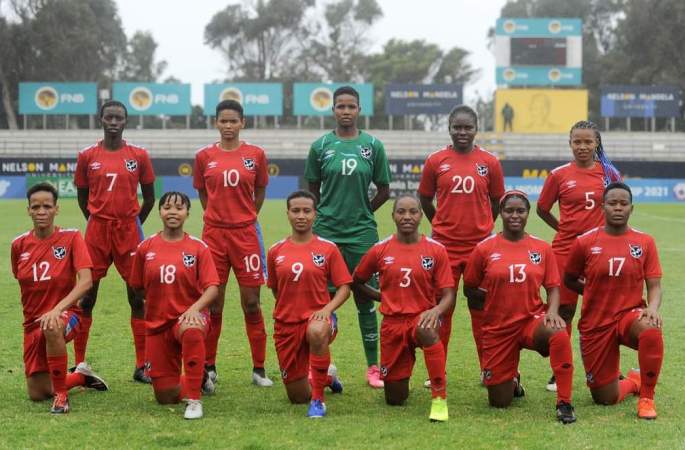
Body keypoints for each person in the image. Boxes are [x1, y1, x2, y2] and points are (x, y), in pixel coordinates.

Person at [463, 190, 576, 424]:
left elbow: (554, 287)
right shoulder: (484, 248)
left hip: (531, 320)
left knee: (559, 330)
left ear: (527, 214)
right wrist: (494, 306)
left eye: (520, 210)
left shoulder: (541, 248)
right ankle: (511, 379)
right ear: (500, 213)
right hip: (498, 328)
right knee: (499, 402)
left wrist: (553, 313)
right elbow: (470, 288)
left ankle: (564, 402)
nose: (515, 215)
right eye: (509, 210)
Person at [304, 85, 391, 388]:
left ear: (358, 109)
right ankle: (324, 366)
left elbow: (384, 189)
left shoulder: (373, 146)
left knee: (365, 298)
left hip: (362, 233)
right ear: (333, 110)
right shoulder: (320, 146)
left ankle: (373, 368)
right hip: (326, 232)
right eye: (340, 106)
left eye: (350, 106)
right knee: (324, 300)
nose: (345, 111)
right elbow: (312, 192)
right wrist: (323, 217)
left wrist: (364, 210)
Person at [418, 104, 505, 377]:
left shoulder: (490, 162)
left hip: (480, 248)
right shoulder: (436, 160)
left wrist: (484, 226)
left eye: (468, 127)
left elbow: (496, 201)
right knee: (442, 309)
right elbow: (424, 199)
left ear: (476, 129)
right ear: (449, 128)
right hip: (444, 247)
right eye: (458, 127)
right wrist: (441, 224)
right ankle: (437, 371)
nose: (462, 132)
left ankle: (487, 367)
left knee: (482, 307)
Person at [564, 182, 663, 420]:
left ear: (631, 208)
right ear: (603, 207)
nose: (618, 208)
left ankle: (647, 399)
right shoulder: (585, 242)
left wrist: (651, 308)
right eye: (612, 203)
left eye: (623, 203)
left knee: (650, 329)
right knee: (605, 398)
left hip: (629, 316)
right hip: (596, 323)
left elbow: (655, 285)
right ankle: (634, 381)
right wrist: (591, 291)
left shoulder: (644, 242)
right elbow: (569, 279)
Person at [73, 100, 155, 383]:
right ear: (101, 119)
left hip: (128, 231)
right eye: (109, 117)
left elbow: (150, 197)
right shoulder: (87, 156)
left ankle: (141, 365)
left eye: (118, 117)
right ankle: (79, 363)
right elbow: (83, 198)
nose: (113, 121)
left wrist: (133, 223)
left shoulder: (139, 155)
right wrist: (97, 220)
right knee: (87, 297)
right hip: (97, 230)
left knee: (137, 296)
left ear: (125, 121)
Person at [353, 195, 455, 422]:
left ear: (421, 215)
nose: (407, 216)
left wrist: (436, 311)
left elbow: (449, 294)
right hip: (392, 324)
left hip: (423, 318)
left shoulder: (436, 249)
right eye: (401, 212)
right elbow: (357, 281)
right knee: (395, 398)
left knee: (427, 329)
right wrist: (384, 297)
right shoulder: (380, 250)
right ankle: (401, 374)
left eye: (412, 212)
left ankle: (439, 398)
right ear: (393, 216)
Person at [537, 120, 621, 392]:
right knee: (565, 310)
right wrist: (563, 228)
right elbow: (542, 208)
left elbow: (620, 203)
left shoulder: (609, 174)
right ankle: (559, 370)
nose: (582, 147)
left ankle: (610, 368)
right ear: (570, 144)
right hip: (565, 251)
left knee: (605, 310)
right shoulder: (559, 175)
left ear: (597, 143)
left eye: (588, 142)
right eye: (577, 142)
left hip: (600, 252)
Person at [193, 99, 272, 388]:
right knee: (213, 303)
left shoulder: (256, 154)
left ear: (243, 123)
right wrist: (217, 217)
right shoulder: (204, 156)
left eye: (233, 121)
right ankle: (210, 367)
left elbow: (260, 189)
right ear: (216, 123)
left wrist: (246, 216)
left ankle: (259, 370)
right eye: (223, 121)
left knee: (252, 303)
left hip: (246, 235)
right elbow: (203, 193)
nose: (228, 126)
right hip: (214, 236)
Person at [11, 183, 109, 414]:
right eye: (36, 207)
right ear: (28, 210)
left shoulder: (72, 237)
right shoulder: (19, 245)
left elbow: (86, 281)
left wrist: (57, 309)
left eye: (47, 206)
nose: (41, 211)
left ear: (57, 209)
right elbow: (19, 276)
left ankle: (62, 398)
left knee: (52, 325)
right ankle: (79, 377)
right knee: (37, 393)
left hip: (67, 316)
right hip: (32, 323)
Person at [129, 191, 220, 420]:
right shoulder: (145, 247)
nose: (172, 212)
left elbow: (212, 288)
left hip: (188, 318)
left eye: (179, 208)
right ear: (160, 212)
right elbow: (137, 286)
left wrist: (194, 308)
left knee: (192, 328)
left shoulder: (198, 247)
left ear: (187, 213)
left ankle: (194, 400)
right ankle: (198, 378)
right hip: (158, 322)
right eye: (167, 207)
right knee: (165, 396)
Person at [267, 190, 350, 418]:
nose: (301, 216)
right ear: (288, 214)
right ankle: (327, 377)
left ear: (315, 214)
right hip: (286, 324)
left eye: (306, 211)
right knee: (296, 396)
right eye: (296, 211)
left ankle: (318, 401)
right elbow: (276, 288)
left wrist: (326, 310)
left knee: (316, 330)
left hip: (320, 319)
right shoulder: (276, 251)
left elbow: (344, 287)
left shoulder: (328, 248)